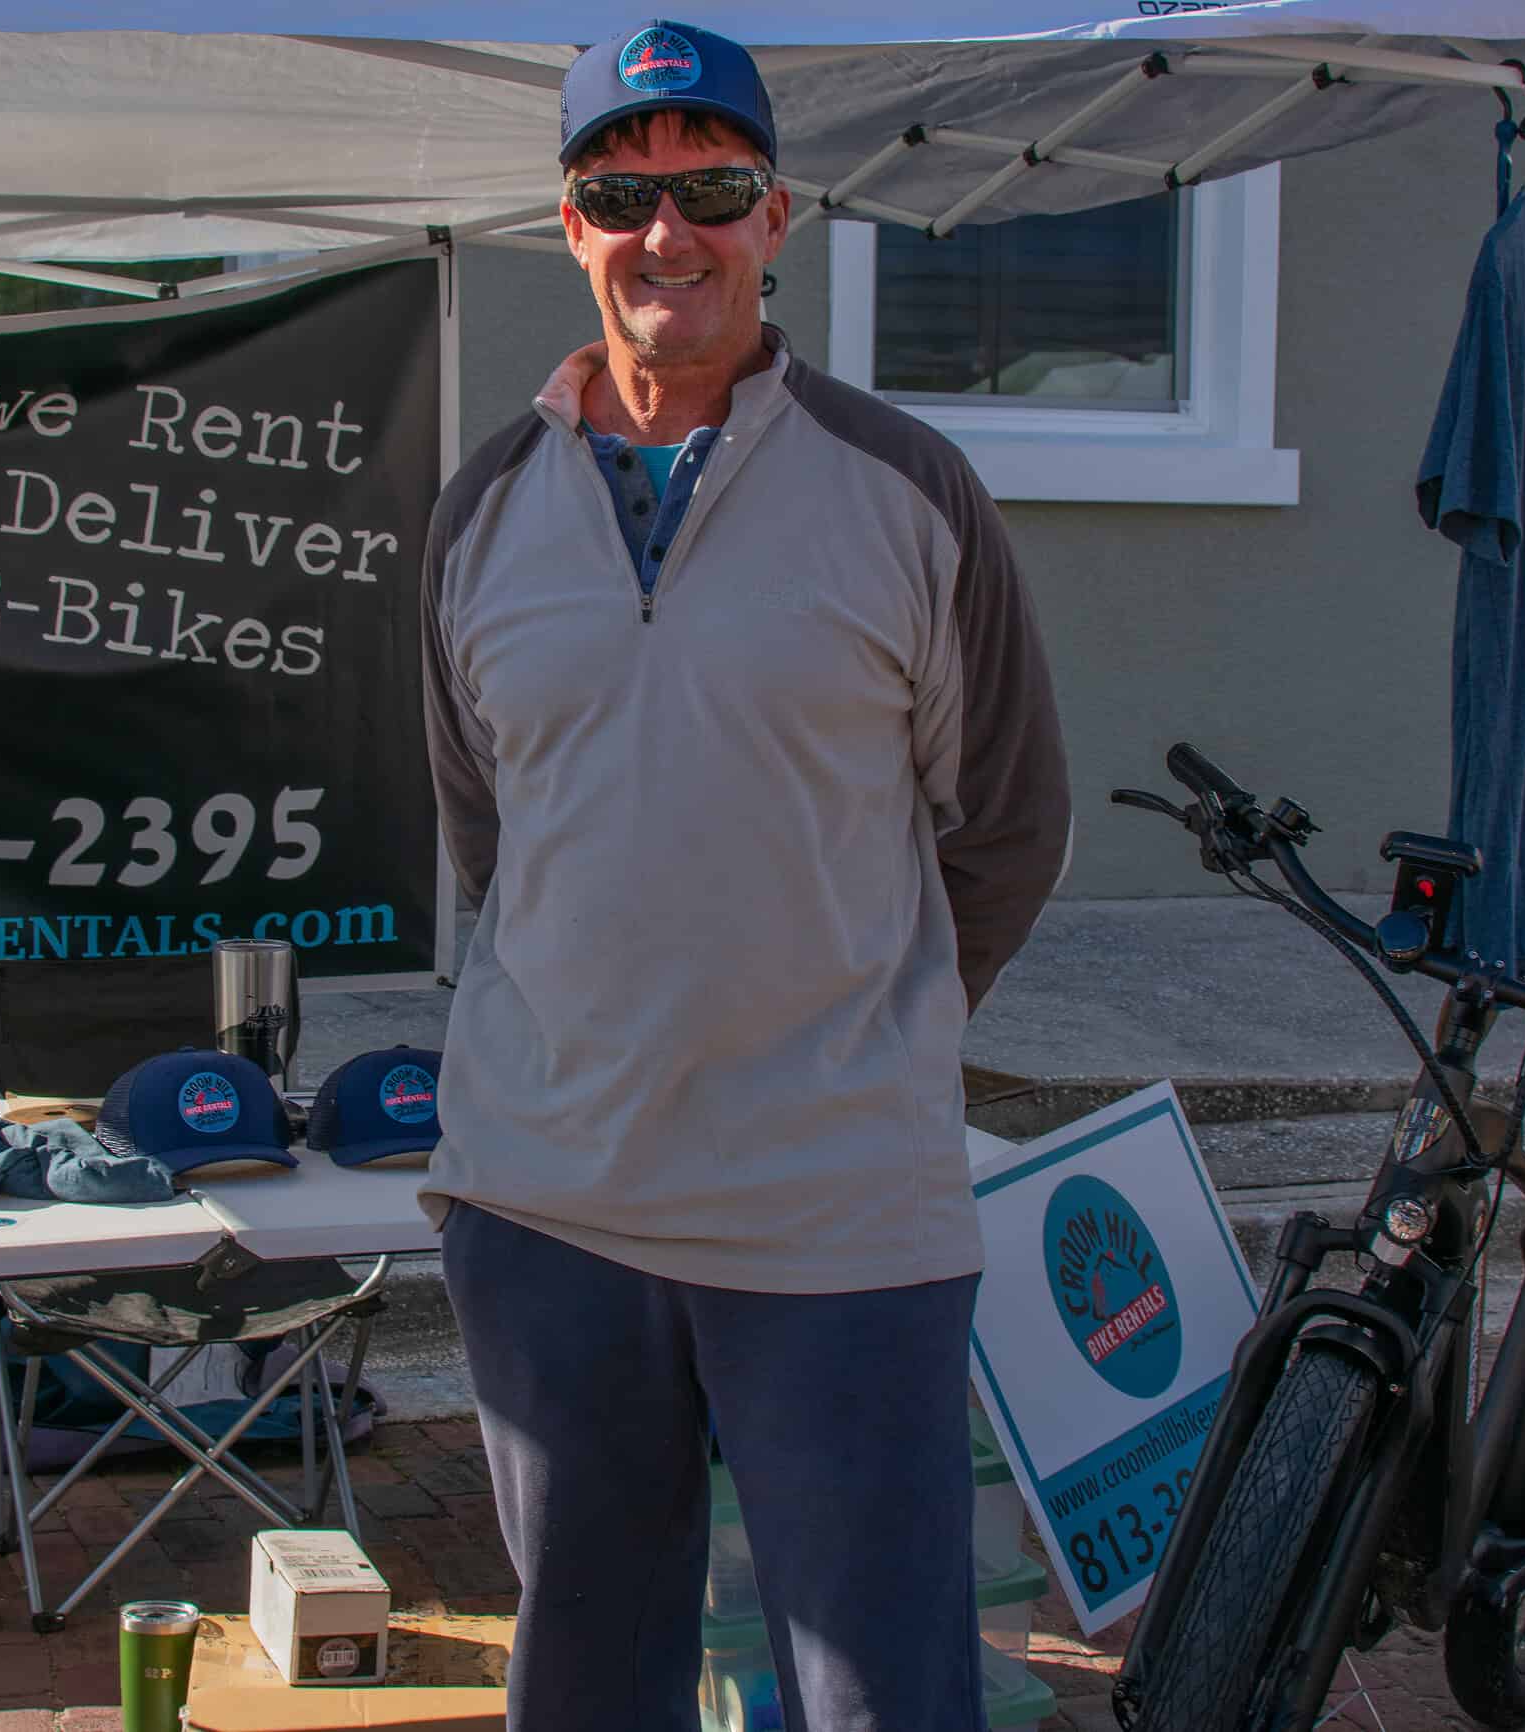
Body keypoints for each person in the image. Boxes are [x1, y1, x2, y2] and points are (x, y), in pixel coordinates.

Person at [416, 17, 1070, 1732]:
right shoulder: (481, 511)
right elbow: (496, 832)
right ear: (566, 226)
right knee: (587, 1687)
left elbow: (1005, 823)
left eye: (710, 188)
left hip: (835, 1216)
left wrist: (863, 1027)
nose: (665, 233)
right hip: (552, 1208)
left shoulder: (907, 489)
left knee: (880, 1695)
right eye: (618, 193)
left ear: (778, 218)